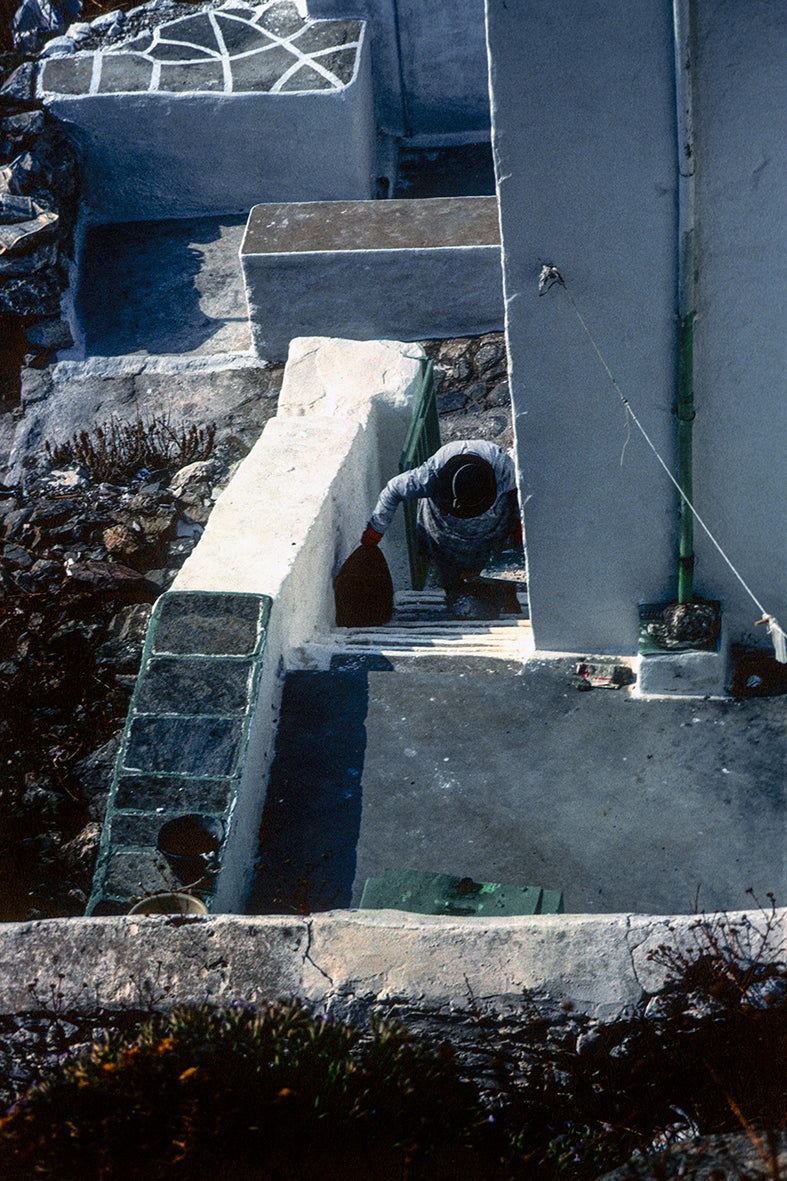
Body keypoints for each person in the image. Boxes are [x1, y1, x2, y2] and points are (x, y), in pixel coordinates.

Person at [361, 439, 521, 610]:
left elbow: (520, 494)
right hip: (443, 530)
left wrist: (519, 525)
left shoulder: (505, 470)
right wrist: (375, 530)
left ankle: (509, 597)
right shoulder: (431, 475)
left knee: (503, 558)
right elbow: (393, 490)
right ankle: (454, 596)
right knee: (448, 564)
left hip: (493, 524)